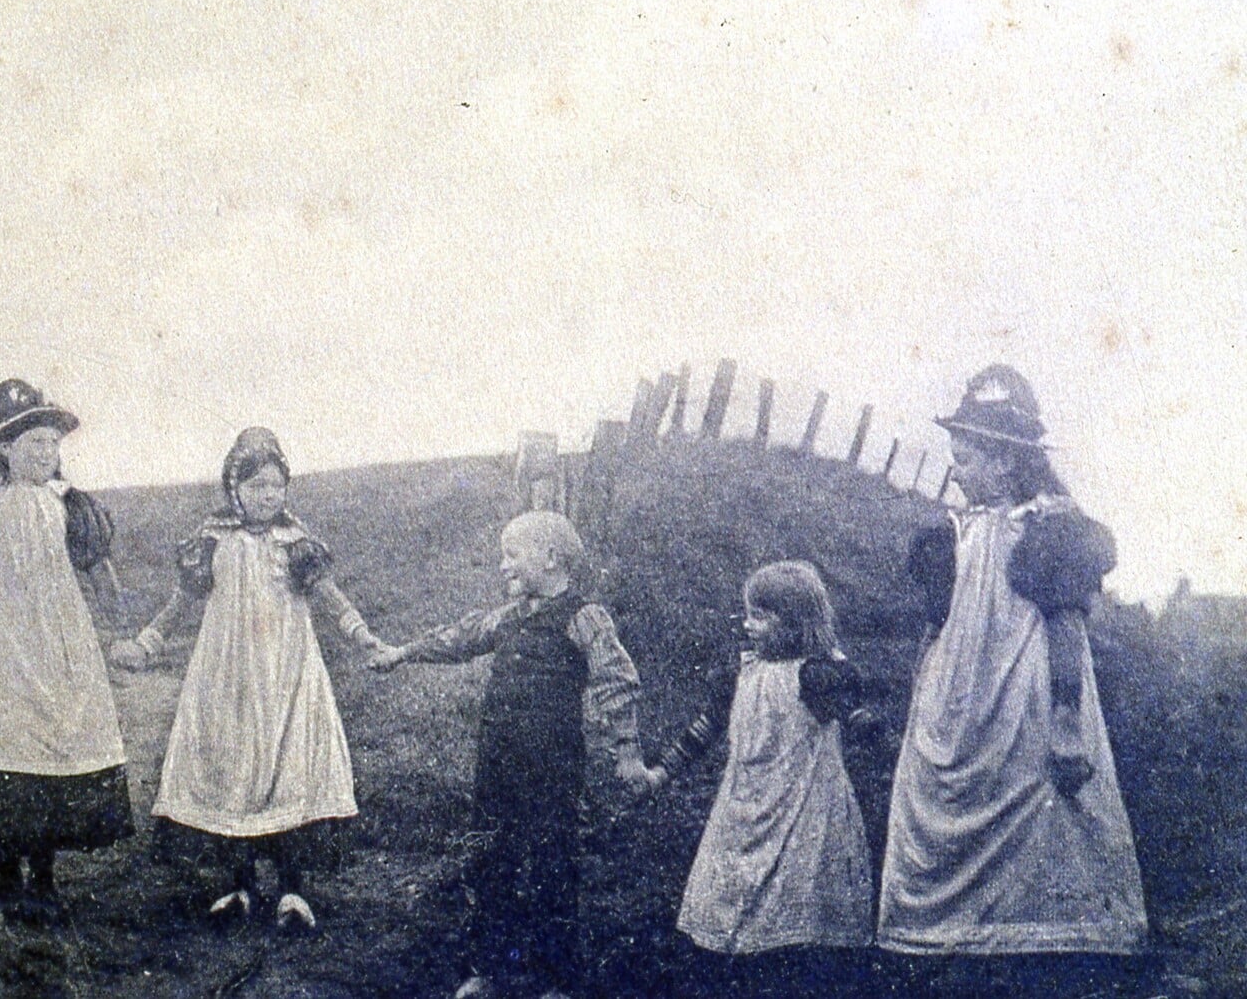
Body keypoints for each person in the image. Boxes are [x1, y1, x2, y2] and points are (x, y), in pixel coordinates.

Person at [878, 365, 1146, 959]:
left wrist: (1066, 721)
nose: (957, 469)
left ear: (1005, 462)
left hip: (1019, 685)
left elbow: (1065, 623)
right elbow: (936, 626)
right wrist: (921, 698)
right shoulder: (954, 533)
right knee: (946, 794)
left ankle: (1038, 945)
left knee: (1033, 808)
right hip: (958, 697)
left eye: (967, 457)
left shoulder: (1044, 529)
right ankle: (953, 941)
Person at [112, 427, 395, 932]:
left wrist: (362, 635)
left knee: (290, 767)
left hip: (288, 673)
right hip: (228, 674)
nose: (268, 496)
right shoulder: (212, 542)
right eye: (257, 486)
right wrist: (147, 641)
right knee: (231, 766)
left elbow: (329, 597)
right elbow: (184, 603)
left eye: (276, 486)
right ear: (233, 488)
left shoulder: (296, 543)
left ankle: (292, 890)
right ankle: (236, 884)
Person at [371, 510, 654, 999]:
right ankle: (486, 969)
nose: (503, 566)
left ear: (549, 557)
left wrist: (627, 754)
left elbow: (617, 682)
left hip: (552, 769)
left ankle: (555, 980)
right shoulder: (508, 616)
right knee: (491, 858)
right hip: (497, 765)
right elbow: (458, 639)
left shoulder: (584, 617)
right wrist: (403, 653)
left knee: (552, 865)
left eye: (512, 555)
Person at [0, 378, 133, 925]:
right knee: (2, 748)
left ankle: (44, 879)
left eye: (51, 443)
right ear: (2, 450)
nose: (45, 453)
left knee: (54, 745)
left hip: (59, 645)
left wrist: (114, 631)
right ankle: (6, 876)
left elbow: (98, 571)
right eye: (32, 444)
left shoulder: (71, 507)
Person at [649, 561, 875, 991]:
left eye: (761, 616)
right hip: (744, 804)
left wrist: (867, 724)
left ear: (795, 623)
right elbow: (705, 728)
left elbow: (851, 709)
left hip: (804, 805)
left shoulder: (815, 674)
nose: (749, 626)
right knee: (729, 898)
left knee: (798, 902)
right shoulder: (741, 673)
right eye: (748, 614)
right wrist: (662, 772)